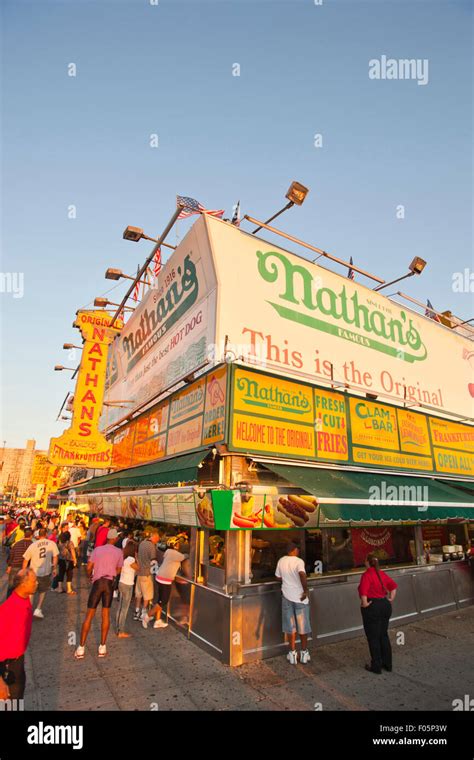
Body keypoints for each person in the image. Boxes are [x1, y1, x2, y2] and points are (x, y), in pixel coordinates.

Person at [74, 528, 124, 659]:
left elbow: (89, 567)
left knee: (89, 614)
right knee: (105, 614)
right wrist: (111, 570)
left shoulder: (98, 550)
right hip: (109, 583)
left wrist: (91, 575)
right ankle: (102, 646)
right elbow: (119, 569)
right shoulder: (119, 552)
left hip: (97, 583)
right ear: (114, 538)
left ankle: (81, 647)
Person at [0, 568, 38, 701]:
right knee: (11, 704)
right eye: (34, 581)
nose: (37, 583)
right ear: (23, 584)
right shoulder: (8, 609)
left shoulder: (25, 600)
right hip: (7, 667)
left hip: (18, 662)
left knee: (17, 700)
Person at [358, 553, 398, 674]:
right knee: (383, 634)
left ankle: (376, 666)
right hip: (385, 605)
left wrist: (364, 603)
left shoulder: (366, 575)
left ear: (368, 562)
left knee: (373, 637)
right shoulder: (381, 573)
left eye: (365, 560)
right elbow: (393, 586)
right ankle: (388, 664)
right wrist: (391, 598)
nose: (364, 562)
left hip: (373, 606)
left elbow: (364, 592)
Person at [275, 542, 311, 665]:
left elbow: (278, 577)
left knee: (290, 627)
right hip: (300, 597)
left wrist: (287, 578)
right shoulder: (299, 561)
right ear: (294, 550)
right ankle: (304, 653)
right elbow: (302, 574)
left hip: (286, 596)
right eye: (297, 549)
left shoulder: (281, 561)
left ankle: (292, 653)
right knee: (303, 626)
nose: (298, 551)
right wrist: (305, 590)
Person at [142, 537, 189, 629]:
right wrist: (189, 554)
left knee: (160, 600)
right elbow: (185, 556)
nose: (179, 546)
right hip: (165, 580)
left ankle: (158, 621)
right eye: (178, 544)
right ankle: (147, 616)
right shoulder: (175, 554)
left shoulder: (168, 552)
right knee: (162, 602)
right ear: (174, 545)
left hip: (160, 578)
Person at [22, 527, 59, 618]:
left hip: (33, 572)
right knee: (43, 590)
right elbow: (55, 557)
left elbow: (26, 560)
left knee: (31, 592)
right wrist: (54, 568)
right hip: (45, 572)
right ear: (46, 534)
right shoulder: (52, 544)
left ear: (38, 535)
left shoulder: (33, 545)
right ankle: (38, 609)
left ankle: (29, 609)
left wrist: (24, 572)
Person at [133, 529, 160, 621]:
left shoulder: (142, 543)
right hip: (147, 574)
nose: (157, 541)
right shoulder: (152, 546)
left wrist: (138, 563)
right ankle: (143, 613)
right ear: (154, 537)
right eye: (157, 539)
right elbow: (153, 561)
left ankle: (136, 612)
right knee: (147, 595)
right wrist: (156, 571)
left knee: (138, 594)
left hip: (139, 573)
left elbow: (136, 554)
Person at [116, 541, 138, 638]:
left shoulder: (124, 559)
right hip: (128, 585)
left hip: (121, 582)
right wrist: (137, 557)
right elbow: (139, 568)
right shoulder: (131, 559)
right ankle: (121, 631)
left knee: (120, 607)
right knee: (125, 609)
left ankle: (118, 627)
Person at [6, 528, 33, 599]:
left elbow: (11, 555)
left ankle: (9, 601)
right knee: (22, 587)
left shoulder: (17, 543)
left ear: (24, 534)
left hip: (14, 566)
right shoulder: (32, 544)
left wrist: (9, 566)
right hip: (26, 567)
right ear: (31, 535)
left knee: (11, 586)